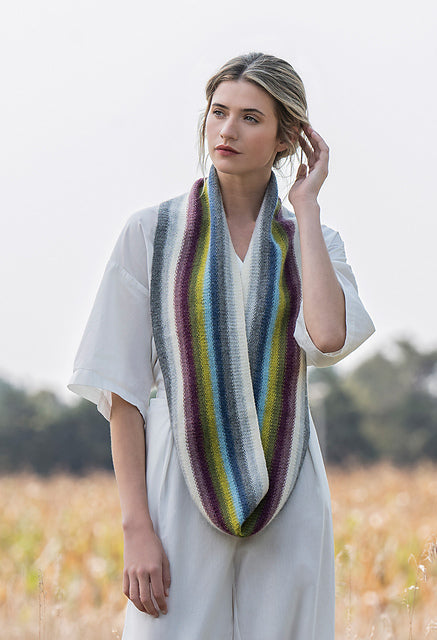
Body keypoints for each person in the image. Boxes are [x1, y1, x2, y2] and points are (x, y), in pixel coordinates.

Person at [68, 52, 375, 640]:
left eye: (250, 118)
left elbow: (328, 336)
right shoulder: (151, 233)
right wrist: (137, 528)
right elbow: (123, 392)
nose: (227, 130)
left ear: (287, 137)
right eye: (219, 112)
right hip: (178, 478)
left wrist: (306, 207)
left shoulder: (313, 239)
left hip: (287, 477)